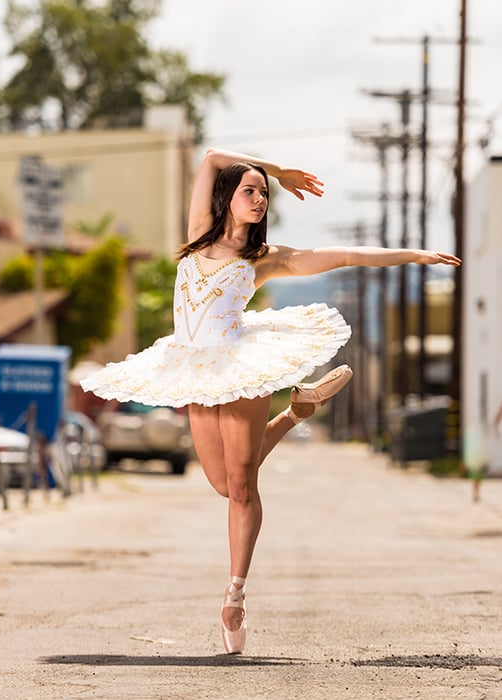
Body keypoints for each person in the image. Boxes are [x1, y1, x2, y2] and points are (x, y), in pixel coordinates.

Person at [81, 148, 461, 654]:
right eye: (251, 191)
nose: (260, 199)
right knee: (220, 481)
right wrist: (278, 170)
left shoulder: (264, 259)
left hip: (239, 367)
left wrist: (413, 257)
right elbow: (214, 156)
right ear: (227, 198)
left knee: (242, 486)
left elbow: (344, 255)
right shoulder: (198, 233)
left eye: (264, 194)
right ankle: (297, 411)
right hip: (192, 369)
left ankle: (235, 594)